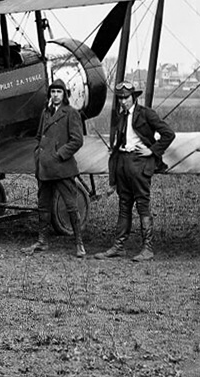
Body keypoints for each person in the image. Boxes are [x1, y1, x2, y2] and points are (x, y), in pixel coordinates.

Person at [95, 81, 176, 261]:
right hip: (123, 163)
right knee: (124, 207)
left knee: (142, 207)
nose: (123, 101)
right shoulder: (121, 116)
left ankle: (147, 249)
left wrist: (153, 150)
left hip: (140, 164)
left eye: (126, 98)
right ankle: (119, 246)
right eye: (120, 98)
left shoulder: (146, 114)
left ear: (134, 97)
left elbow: (168, 134)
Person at [24, 78, 87, 258]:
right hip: (44, 168)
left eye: (59, 92)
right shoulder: (46, 113)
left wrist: (59, 154)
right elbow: (39, 136)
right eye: (53, 92)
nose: (55, 95)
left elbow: (77, 140)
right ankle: (42, 241)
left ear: (64, 94)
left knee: (71, 205)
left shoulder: (71, 113)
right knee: (43, 205)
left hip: (62, 168)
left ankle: (79, 243)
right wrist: (39, 155)